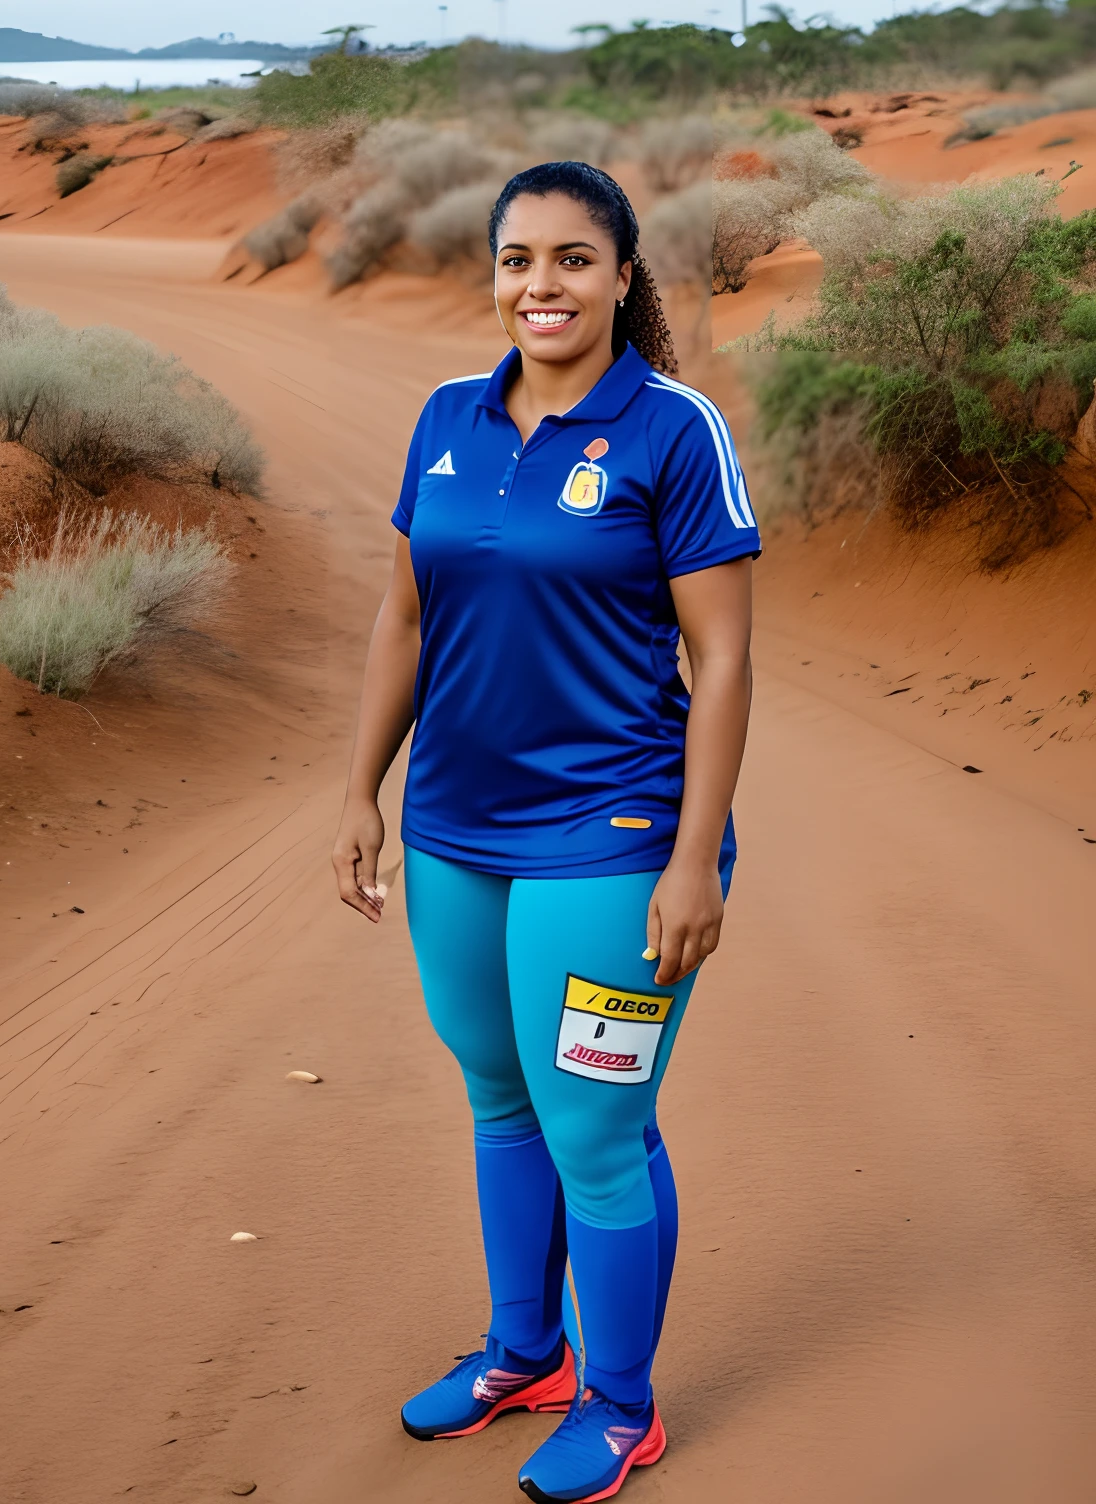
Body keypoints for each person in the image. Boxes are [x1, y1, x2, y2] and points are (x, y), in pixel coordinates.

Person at [333, 161, 759, 1504]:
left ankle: (622, 1403)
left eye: (574, 260)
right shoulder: (448, 418)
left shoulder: (672, 430)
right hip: (457, 829)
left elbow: (728, 659)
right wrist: (361, 788)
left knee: (597, 1129)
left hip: (614, 833)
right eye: (520, 261)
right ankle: (527, 1353)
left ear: (623, 277)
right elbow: (405, 618)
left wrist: (693, 856)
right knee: (498, 1097)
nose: (542, 286)